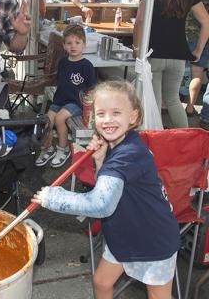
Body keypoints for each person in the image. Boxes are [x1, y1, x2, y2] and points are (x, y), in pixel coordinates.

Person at [32, 80, 181, 299]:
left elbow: (100, 204)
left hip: (152, 238)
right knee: (102, 282)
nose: (108, 120)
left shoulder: (128, 154)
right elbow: (108, 187)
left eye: (116, 113)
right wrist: (100, 160)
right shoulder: (118, 144)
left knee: (158, 296)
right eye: (101, 114)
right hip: (126, 232)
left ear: (133, 117)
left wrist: (53, 198)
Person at [133, 0, 209, 128]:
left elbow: (140, 21)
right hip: (179, 55)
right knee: (174, 100)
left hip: (154, 52)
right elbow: (206, 21)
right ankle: (185, 140)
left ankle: (157, 141)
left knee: (155, 102)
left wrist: (137, 48)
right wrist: (198, 49)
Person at [35, 24, 96, 168]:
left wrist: (89, 106)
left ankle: (63, 149)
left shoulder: (86, 66)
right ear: (64, 45)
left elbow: (92, 88)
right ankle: (48, 149)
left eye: (77, 42)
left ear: (84, 45)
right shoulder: (62, 62)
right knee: (47, 120)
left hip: (75, 103)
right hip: (60, 100)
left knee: (59, 118)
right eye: (69, 43)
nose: (73, 46)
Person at [185, 0, 209, 126]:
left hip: (189, 33)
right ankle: (206, 117)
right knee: (198, 74)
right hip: (203, 34)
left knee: (190, 73)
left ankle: (189, 107)